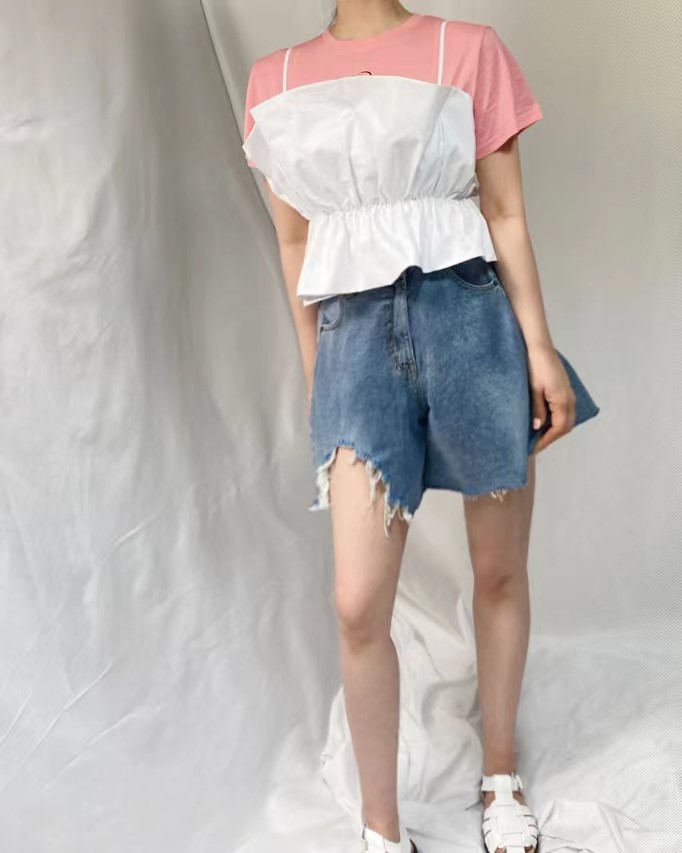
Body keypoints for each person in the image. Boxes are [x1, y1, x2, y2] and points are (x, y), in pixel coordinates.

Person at [241, 3, 600, 852]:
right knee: (357, 603)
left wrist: (539, 350)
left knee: (498, 569)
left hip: (471, 326)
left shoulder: (466, 50)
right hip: (354, 349)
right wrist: (317, 376)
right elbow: (294, 243)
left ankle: (501, 774)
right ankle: (381, 828)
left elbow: (504, 212)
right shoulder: (273, 81)